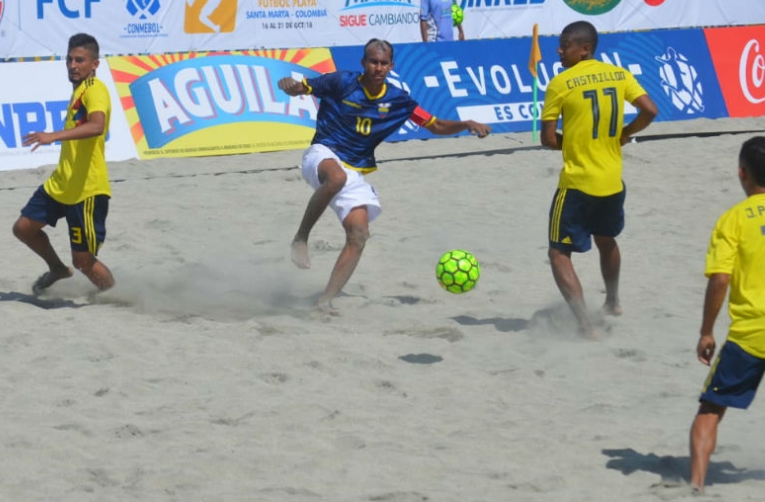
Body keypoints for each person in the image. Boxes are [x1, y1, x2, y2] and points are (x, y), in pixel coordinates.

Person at [277, 39, 491, 313]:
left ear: (391, 66)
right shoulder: (342, 81)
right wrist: (291, 87)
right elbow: (304, 86)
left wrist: (466, 123)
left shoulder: (398, 100)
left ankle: (325, 301)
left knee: (359, 234)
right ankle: (301, 238)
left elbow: (435, 124)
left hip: (355, 169)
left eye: (383, 63)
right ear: (363, 63)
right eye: (373, 62)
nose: (378, 68)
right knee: (337, 178)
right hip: (322, 154)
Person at [540, 20, 658, 337]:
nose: (559, 50)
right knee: (606, 241)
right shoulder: (620, 75)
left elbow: (549, 139)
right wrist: (626, 134)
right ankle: (614, 301)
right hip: (612, 182)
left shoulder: (560, 83)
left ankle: (585, 326)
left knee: (558, 253)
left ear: (585, 49)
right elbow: (650, 109)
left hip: (578, 184)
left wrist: (576, 144)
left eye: (564, 45)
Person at [688, 136, 765, 494]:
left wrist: (706, 331)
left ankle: (696, 485)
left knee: (710, 410)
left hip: (751, 333)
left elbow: (721, 279)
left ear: (741, 174)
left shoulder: (733, 219)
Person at [14, 33, 115, 295]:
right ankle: (57, 269)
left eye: (80, 60)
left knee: (83, 262)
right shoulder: (79, 92)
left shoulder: (95, 90)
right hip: (62, 183)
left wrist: (52, 136)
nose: (72, 65)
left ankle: (117, 297)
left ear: (95, 64)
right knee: (23, 228)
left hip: (86, 190)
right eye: (69, 59)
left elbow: (97, 126)